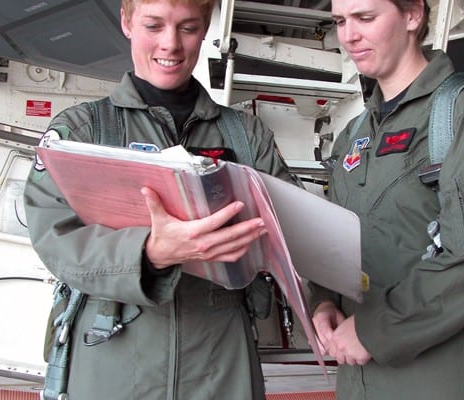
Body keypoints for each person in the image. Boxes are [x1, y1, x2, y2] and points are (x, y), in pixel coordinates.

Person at [24, 0, 292, 399]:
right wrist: (150, 253)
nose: (171, 44)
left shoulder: (247, 137)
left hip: (222, 360)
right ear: (127, 22)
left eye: (187, 27)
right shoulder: (82, 131)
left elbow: (294, 232)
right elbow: (54, 237)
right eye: (154, 25)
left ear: (205, 30)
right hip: (113, 354)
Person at [310, 0, 464, 399]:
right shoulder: (354, 137)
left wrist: (375, 330)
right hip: (360, 381)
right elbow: (338, 240)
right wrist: (323, 301)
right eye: (340, 21)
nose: (349, 35)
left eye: (365, 18)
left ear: (413, 16)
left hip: (443, 379)